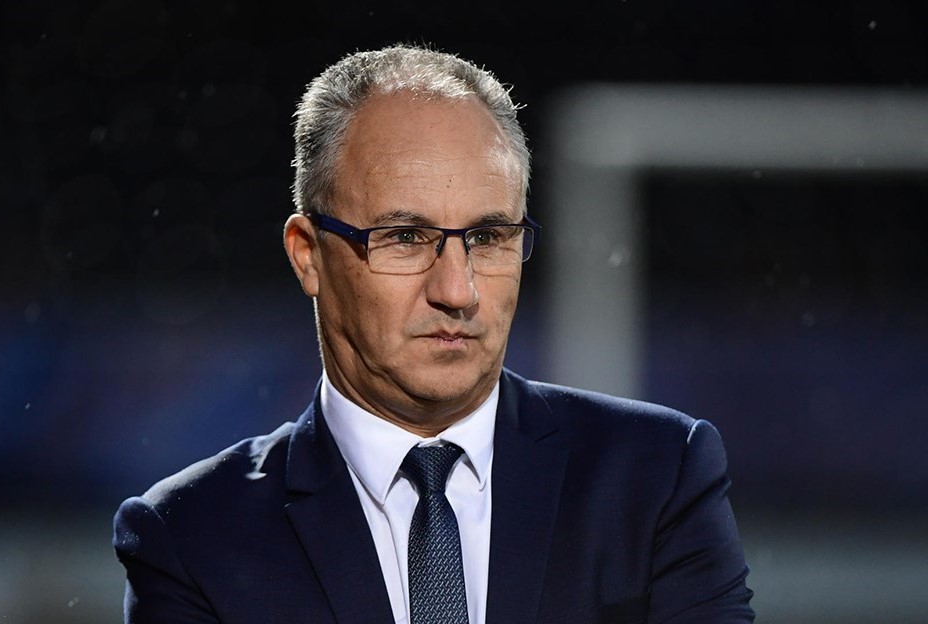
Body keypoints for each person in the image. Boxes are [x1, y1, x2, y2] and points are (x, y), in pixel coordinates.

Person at [113, 43, 755, 623]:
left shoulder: (657, 476)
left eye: (489, 236)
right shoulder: (192, 535)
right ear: (308, 255)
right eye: (405, 237)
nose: (458, 290)